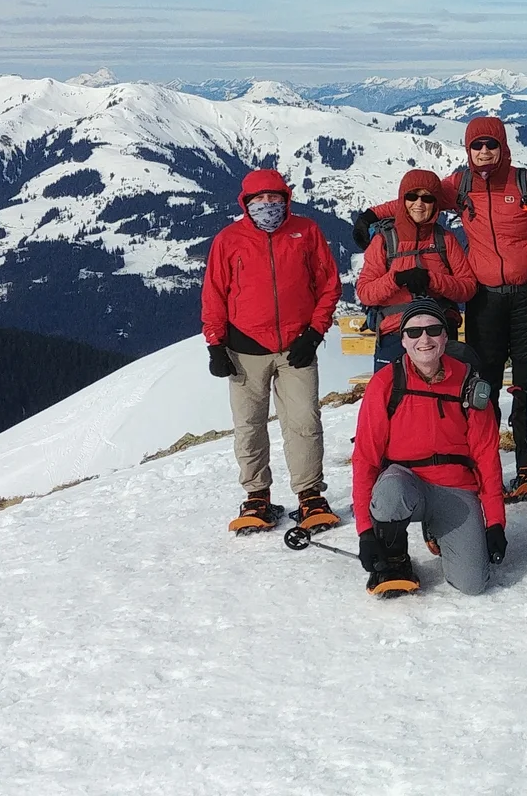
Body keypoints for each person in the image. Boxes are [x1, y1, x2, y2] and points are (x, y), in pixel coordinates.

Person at [357, 117, 527, 503]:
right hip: (484, 298)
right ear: (468, 150)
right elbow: (419, 197)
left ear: (503, 146)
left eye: (491, 144)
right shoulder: (461, 184)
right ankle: (482, 468)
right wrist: (371, 215)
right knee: (480, 385)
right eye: (476, 146)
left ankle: (526, 466)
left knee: (526, 382)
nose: (484, 152)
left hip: (525, 295)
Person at [202, 168, 342, 534]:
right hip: (244, 349)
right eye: (258, 199)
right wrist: (215, 343)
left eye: (274, 198)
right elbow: (214, 293)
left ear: (286, 199)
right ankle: (257, 495)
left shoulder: (306, 231)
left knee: (304, 423)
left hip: (298, 346)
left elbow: (329, 284)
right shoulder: (228, 240)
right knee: (249, 425)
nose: (267, 205)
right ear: (245, 203)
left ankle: (310, 495)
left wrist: (314, 333)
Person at [352, 299, 508, 597]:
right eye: (414, 332)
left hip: (455, 488)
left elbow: (486, 456)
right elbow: (365, 459)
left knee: (473, 583)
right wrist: (365, 532)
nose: (424, 339)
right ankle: (394, 561)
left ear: (446, 336)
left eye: (433, 330)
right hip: (405, 483)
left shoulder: (469, 383)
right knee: (390, 492)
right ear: (403, 340)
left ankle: (436, 529)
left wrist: (495, 522)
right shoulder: (385, 383)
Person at [356, 168, 478, 368]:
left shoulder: (444, 240)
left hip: (438, 330)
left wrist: (432, 280)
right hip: (396, 331)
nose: (419, 204)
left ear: (436, 203)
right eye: (412, 196)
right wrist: (396, 279)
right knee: (392, 395)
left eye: (427, 199)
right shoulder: (384, 241)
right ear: (402, 201)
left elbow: (468, 287)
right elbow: (365, 292)